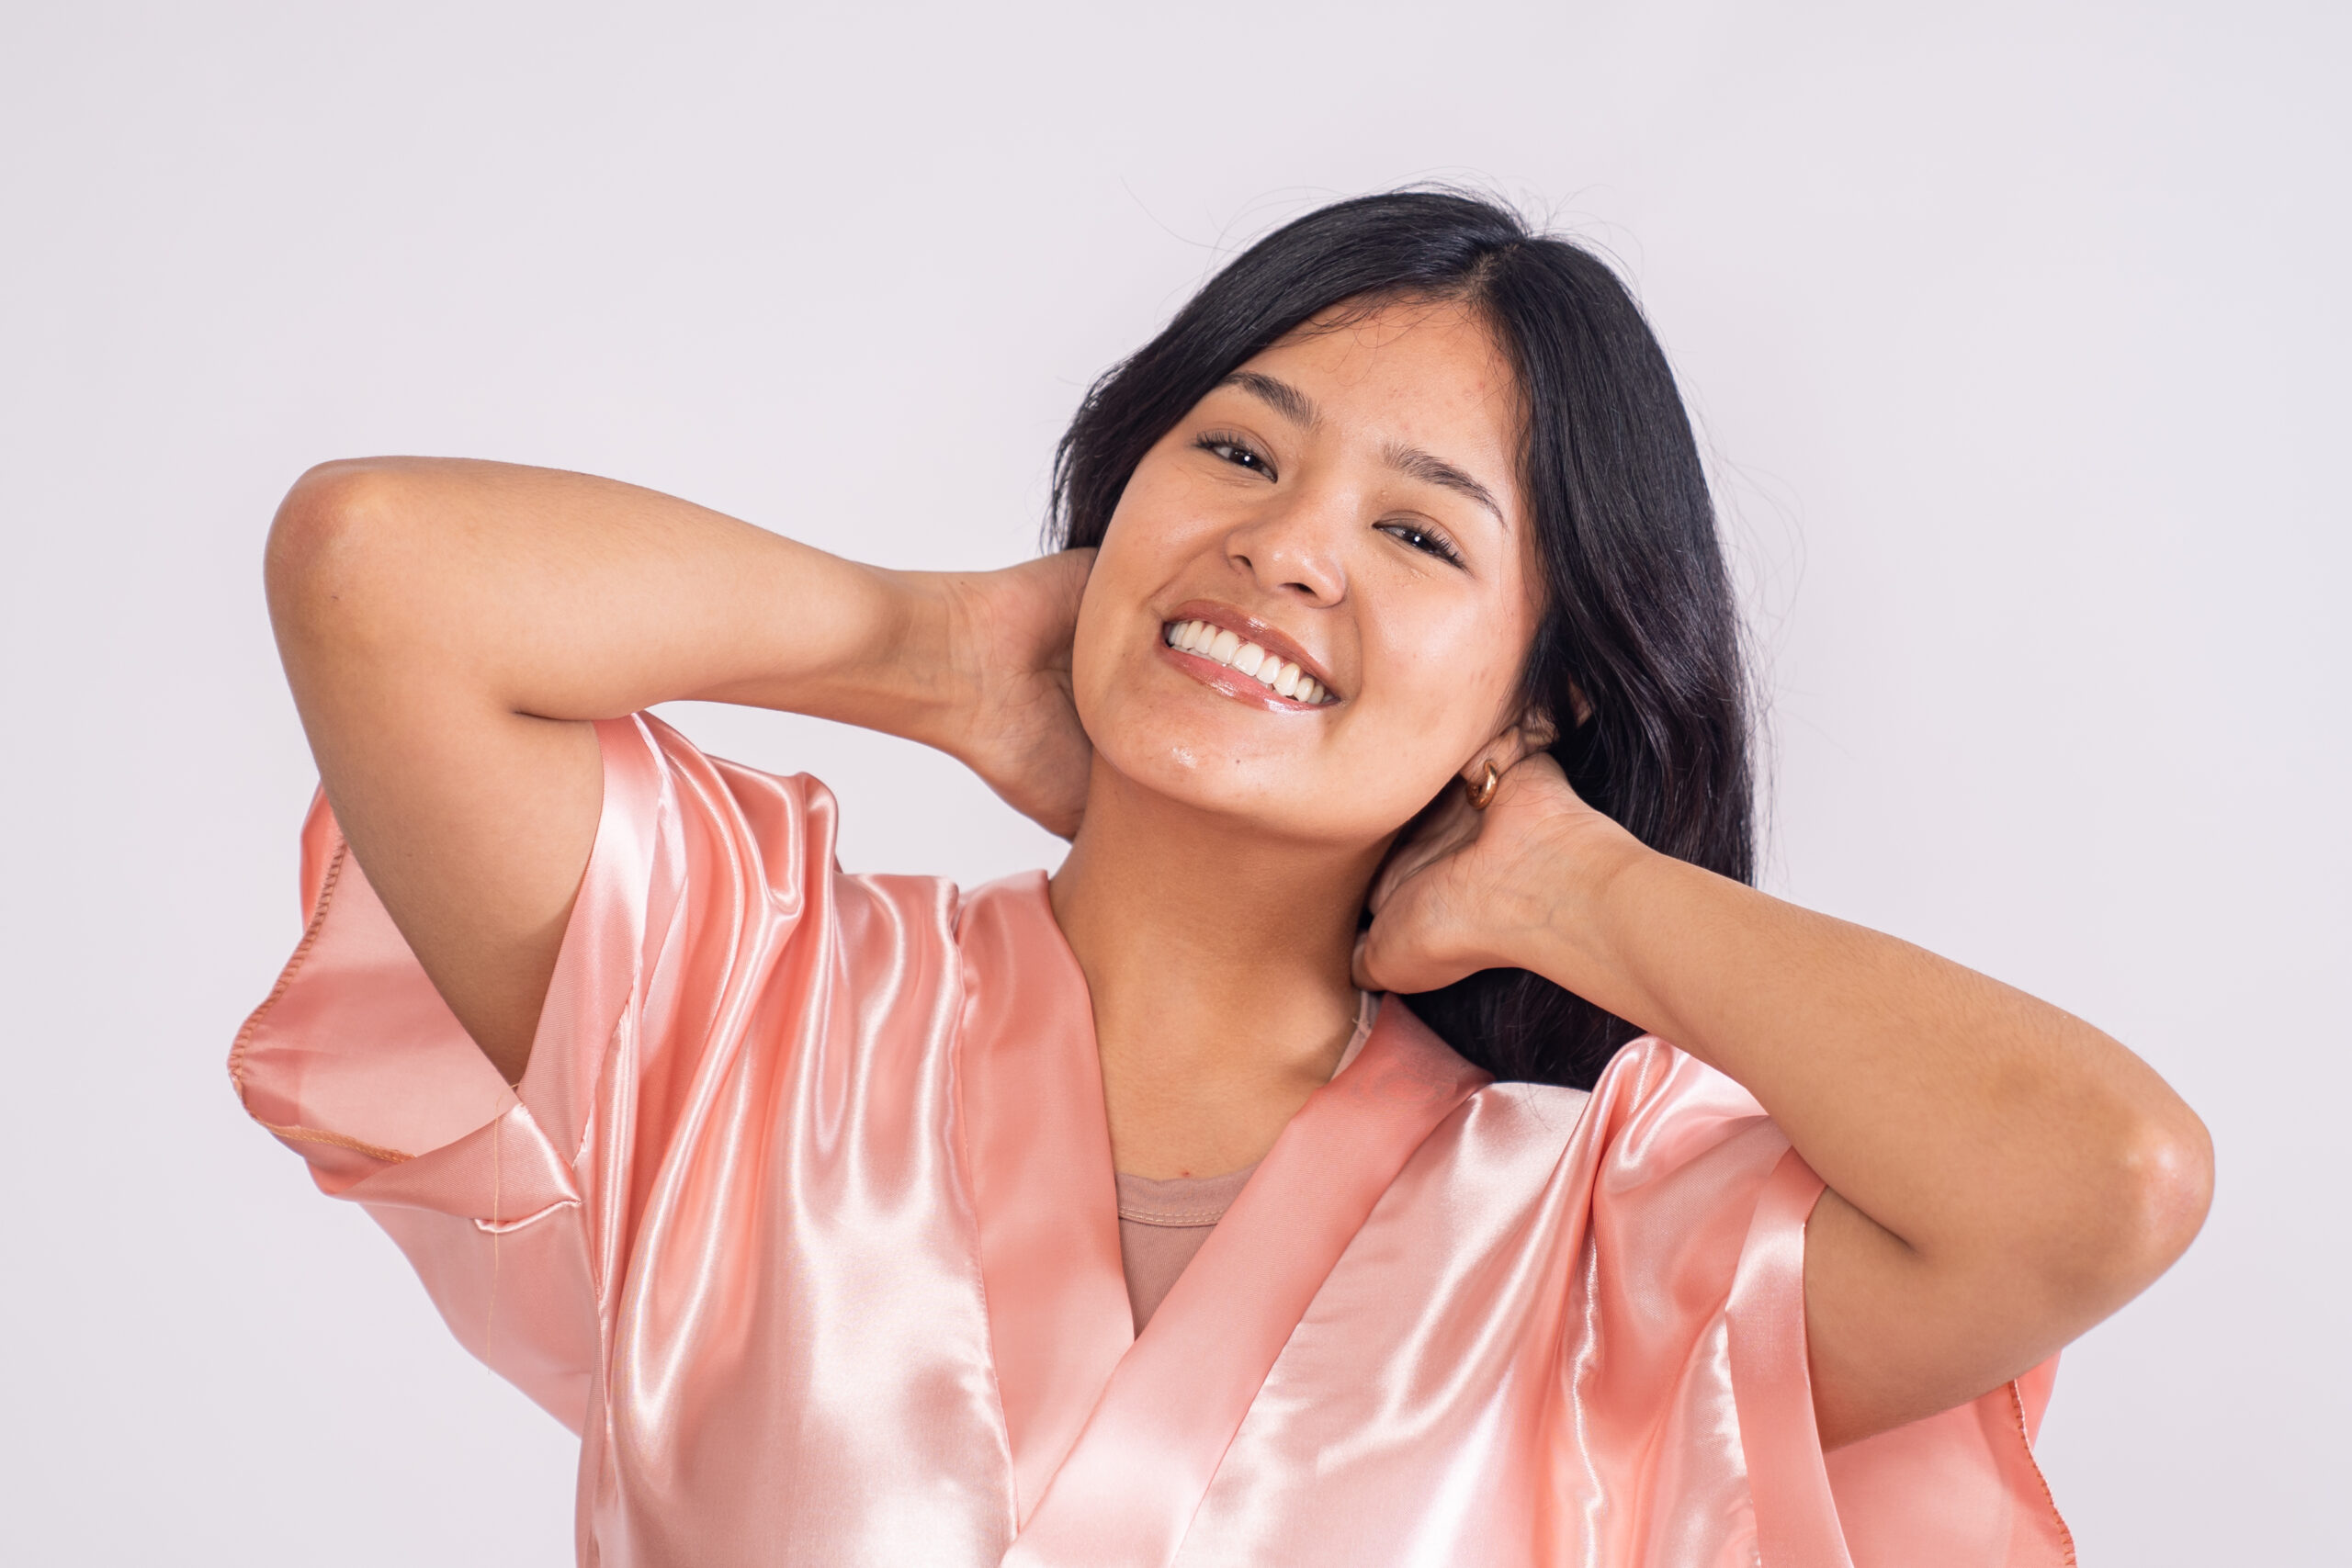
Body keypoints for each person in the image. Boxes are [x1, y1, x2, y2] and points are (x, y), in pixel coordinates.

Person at [232, 189, 2211, 1566]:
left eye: (1420, 537)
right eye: (1240, 455)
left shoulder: (1598, 1253)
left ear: (1543, 690)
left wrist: (1580, 890)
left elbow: (2103, 1177)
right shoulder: (747, 1008)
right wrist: (926, 649)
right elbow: (373, 564)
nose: (1288, 548)